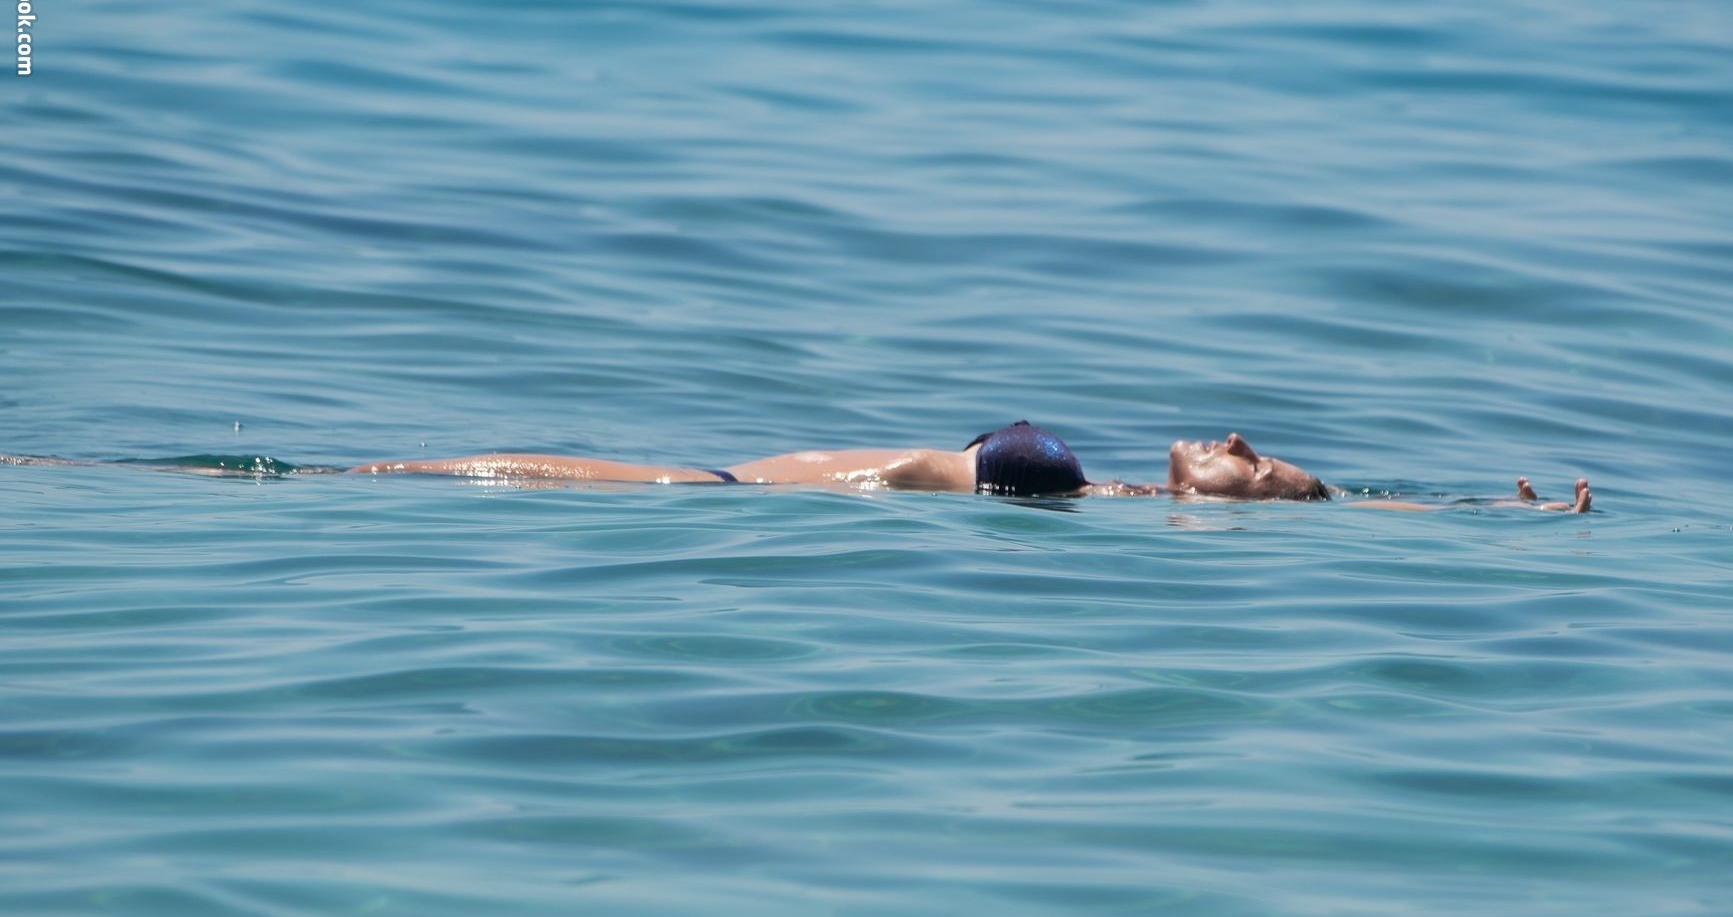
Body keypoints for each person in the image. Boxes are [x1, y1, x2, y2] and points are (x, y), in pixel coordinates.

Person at [348, 423, 1592, 510]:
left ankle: (369, 476)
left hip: (726, 497)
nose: (1237, 445)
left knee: (539, 472)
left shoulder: (1108, 503)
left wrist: (1493, 516)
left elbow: (1361, 514)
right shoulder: (1108, 491)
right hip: (738, 480)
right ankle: (376, 473)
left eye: (1257, 471)